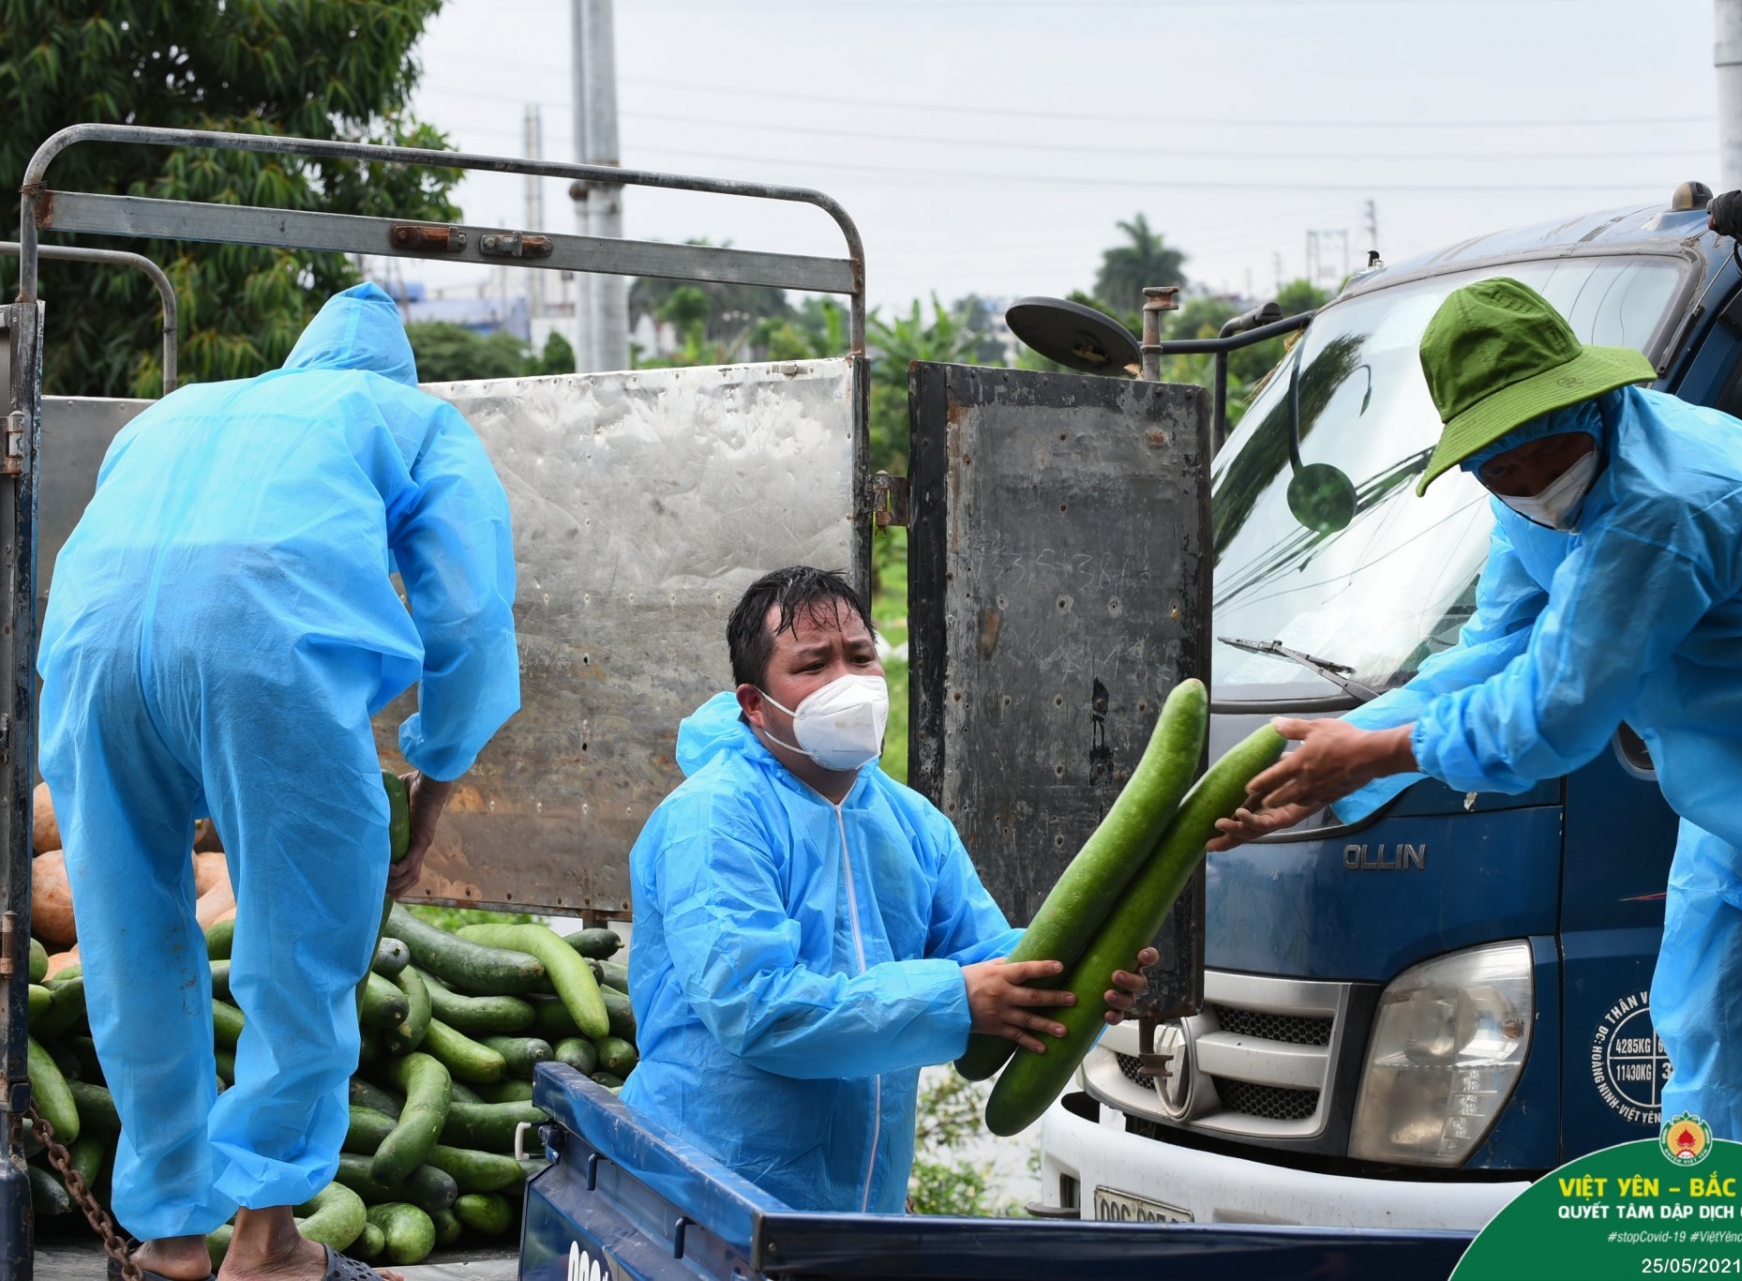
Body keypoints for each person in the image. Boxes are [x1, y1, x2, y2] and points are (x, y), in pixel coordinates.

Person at [1211, 276, 1742, 1175]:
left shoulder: (1664, 504)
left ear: (1586, 403)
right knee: (1723, 1076)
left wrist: (1384, 751)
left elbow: (1556, 711)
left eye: (1534, 455)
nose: (1520, 483)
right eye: (1493, 468)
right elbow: (1496, 650)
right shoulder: (1528, 504)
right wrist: (1334, 766)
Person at [39, 283, 520, 1281]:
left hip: (86, 655)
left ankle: (169, 1237)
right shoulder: (412, 418)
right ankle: (265, 1240)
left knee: (128, 942)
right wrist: (431, 784)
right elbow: (468, 620)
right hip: (264, 652)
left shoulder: (174, 410)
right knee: (303, 946)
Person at [620, 565, 1155, 1212]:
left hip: (860, 1212)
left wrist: (1081, 978)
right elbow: (755, 1005)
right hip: (702, 1200)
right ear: (755, 704)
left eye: (861, 655)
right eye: (813, 664)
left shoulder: (914, 824)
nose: (846, 681)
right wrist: (957, 1000)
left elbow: (995, 965)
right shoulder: (713, 817)